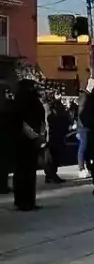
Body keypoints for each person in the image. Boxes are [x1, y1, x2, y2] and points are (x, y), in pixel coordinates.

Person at [11, 79, 45, 210]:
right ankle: (26, 201)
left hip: (24, 140)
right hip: (25, 140)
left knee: (24, 171)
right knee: (26, 172)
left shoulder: (20, 101)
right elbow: (21, 122)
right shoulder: (25, 103)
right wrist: (36, 135)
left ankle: (24, 200)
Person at [43, 90, 70, 184]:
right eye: (57, 94)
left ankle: (51, 175)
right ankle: (51, 175)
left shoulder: (59, 105)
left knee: (57, 155)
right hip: (51, 134)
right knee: (51, 156)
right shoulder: (48, 106)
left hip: (59, 133)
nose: (59, 96)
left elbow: (65, 116)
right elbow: (49, 119)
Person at [0, 86, 14, 195]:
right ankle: (3, 186)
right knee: (3, 164)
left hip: (5, 137)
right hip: (5, 138)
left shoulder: (6, 105)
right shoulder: (6, 106)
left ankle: (3, 185)